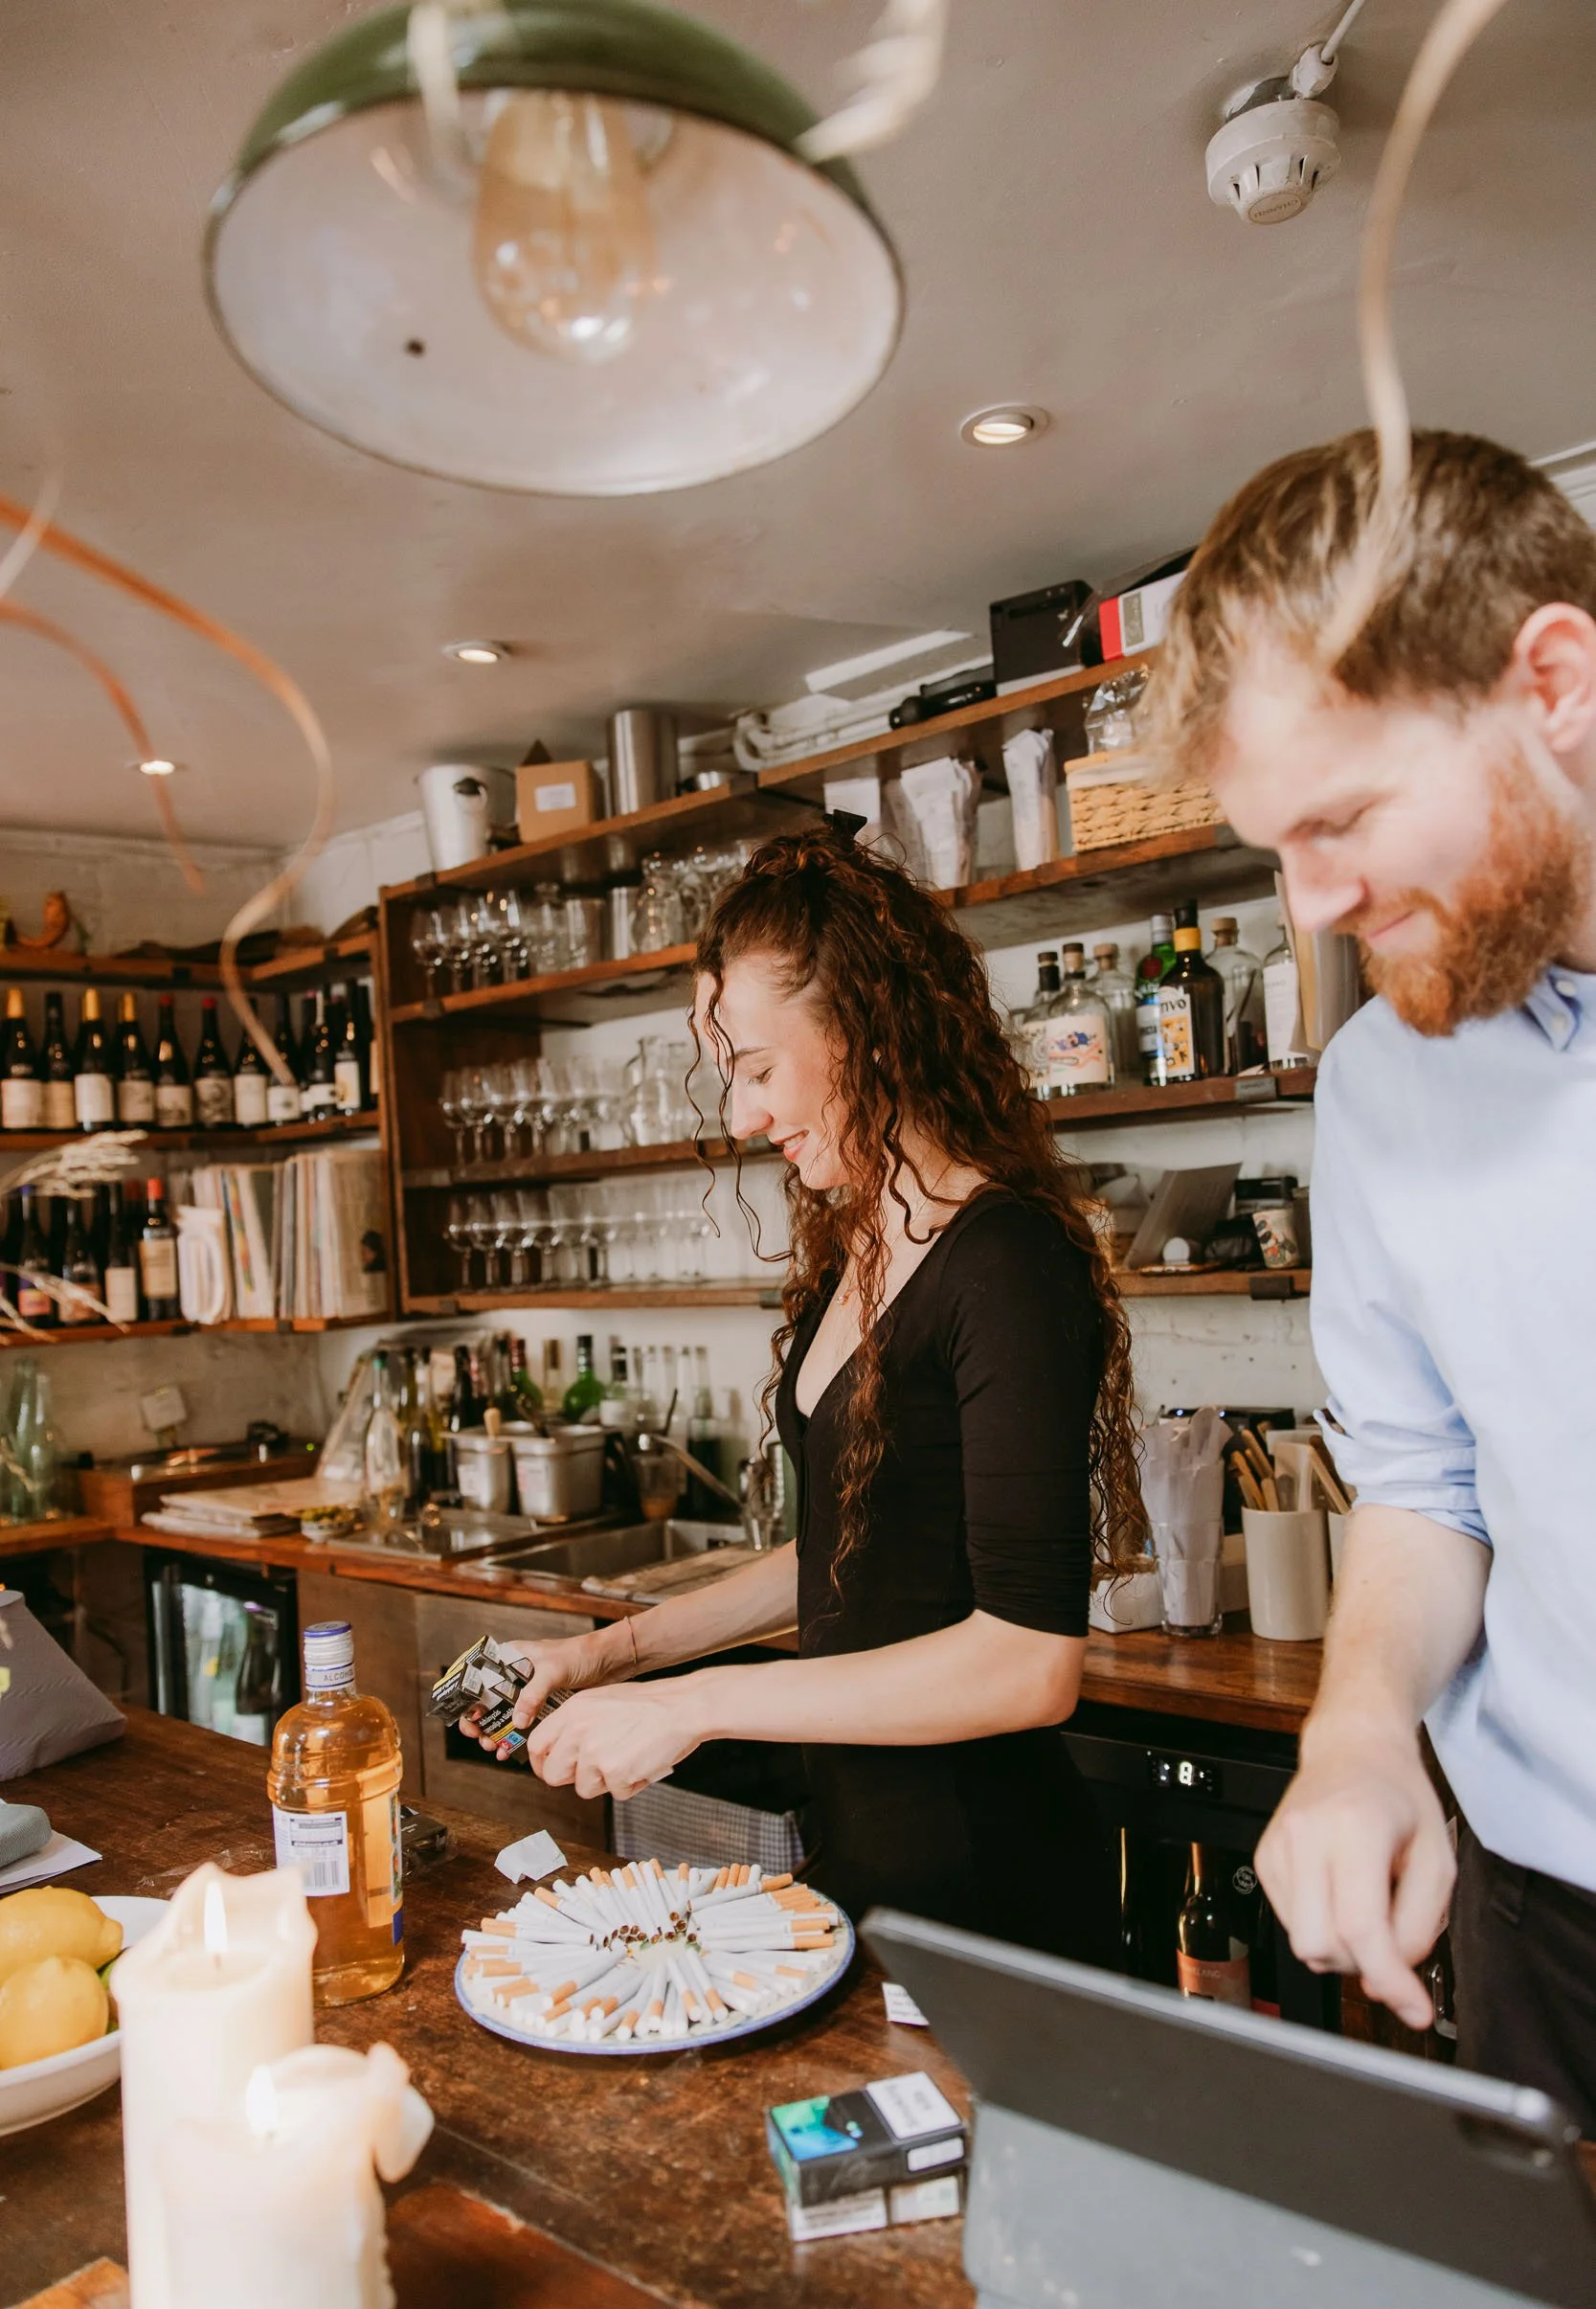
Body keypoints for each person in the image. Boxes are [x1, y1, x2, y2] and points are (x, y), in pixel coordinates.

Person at [462, 827, 1145, 1956]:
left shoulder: (1007, 1264)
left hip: (992, 1899)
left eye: (757, 1068)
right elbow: (847, 1553)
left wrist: (691, 1705)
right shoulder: (860, 1249)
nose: (739, 1117)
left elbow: (1028, 1665)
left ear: (868, 1033)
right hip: (868, 1869)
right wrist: (602, 1657)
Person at [1155, 427, 1596, 2127]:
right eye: (1274, 845)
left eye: (1339, 817)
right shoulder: (1381, 1085)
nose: (1316, 904)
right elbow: (1426, 1484)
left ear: (1546, 680)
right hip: (1545, 1919)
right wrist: (1355, 1732)